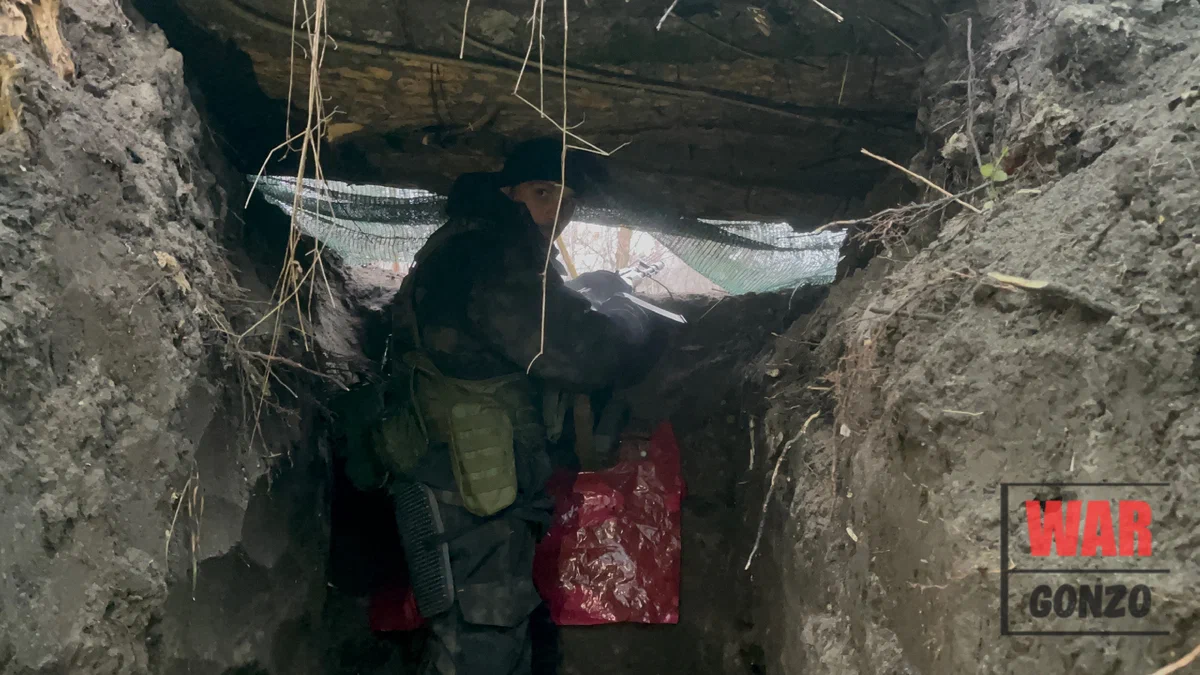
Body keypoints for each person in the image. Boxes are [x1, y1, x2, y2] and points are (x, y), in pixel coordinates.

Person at [373, 137, 661, 675]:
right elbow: (577, 353)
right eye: (543, 192)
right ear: (508, 193)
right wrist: (631, 319)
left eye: (569, 201)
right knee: (483, 634)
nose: (557, 212)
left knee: (472, 630)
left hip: (452, 467)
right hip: (467, 478)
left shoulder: (468, 243)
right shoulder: (490, 255)